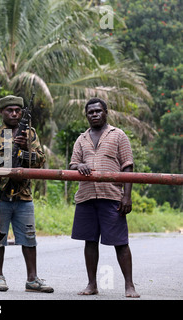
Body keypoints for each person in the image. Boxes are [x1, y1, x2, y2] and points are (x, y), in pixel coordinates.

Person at [0, 95, 53, 293]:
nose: (14, 113)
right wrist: (6, 163)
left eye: (17, 110)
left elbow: (39, 161)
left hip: (23, 195)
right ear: (1, 112)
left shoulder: (29, 134)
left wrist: (23, 149)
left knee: (29, 238)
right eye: (9, 110)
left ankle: (32, 279)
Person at [69, 97, 140, 298]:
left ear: (105, 112)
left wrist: (127, 196)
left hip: (112, 196)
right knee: (89, 242)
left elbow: (128, 166)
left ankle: (129, 285)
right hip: (86, 196)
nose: (94, 115)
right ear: (87, 115)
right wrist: (79, 166)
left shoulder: (118, 135)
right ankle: (92, 284)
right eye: (90, 112)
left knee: (120, 242)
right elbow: (72, 164)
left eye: (98, 111)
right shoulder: (81, 139)